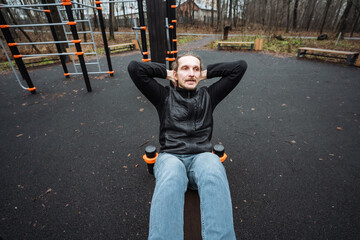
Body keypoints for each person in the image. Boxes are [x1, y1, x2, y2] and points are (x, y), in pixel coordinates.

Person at [128, 53, 247, 239]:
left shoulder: (209, 95)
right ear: (175, 74)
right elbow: (135, 68)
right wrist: (169, 73)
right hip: (171, 156)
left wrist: (205, 74)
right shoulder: (163, 96)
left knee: (213, 167)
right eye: (185, 68)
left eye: (195, 69)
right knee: (172, 174)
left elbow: (240, 66)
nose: (191, 73)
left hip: (201, 157)